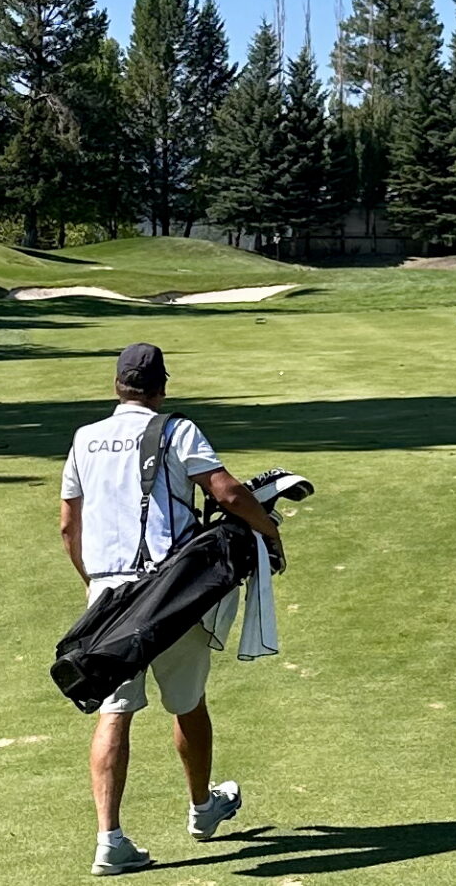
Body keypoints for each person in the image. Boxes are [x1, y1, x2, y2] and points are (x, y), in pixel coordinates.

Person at [59, 343, 284, 877]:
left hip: (109, 602)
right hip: (172, 596)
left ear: (118, 385)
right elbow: (226, 493)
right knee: (188, 703)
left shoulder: (84, 438)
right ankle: (203, 809)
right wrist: (269, 530)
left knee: (114, 712)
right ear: (161, 386)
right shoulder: (177, 430)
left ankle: (108, 840)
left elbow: (70, 525)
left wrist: (96, 588)